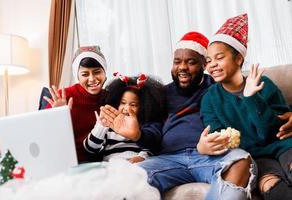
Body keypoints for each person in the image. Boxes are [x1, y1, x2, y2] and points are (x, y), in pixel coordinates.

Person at [99, 31, 257, 199]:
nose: (182, 67)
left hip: (211, 157)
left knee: (241, 162)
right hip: (169, 159)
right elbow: (154, 133)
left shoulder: (218, 87)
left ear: (204, 64)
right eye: (177, 62)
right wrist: (138, 134)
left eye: (190, 62)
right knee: (130, 177)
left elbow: (244, 111)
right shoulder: (161, 94)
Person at [201, 13, 292, 200]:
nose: (212, 65)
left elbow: (276, 130)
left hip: (283, 146)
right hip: (255, 157)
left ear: (239, 58)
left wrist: (251, 97)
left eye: (219, 57)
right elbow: (224, 140)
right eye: (209, 60)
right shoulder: (209, 99)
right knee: (269, 185)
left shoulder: (264, 84)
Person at [44, 46, 107, 163]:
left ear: (105, 73)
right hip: (69, 162)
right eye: (85, 74)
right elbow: (44, 137)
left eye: (97, 72)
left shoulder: (111, 96)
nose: (92, 79)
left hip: (102, 162)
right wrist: (57, 116)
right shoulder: (62, 97)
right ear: (77, 76)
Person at [83, 73, 166, 163]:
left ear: (144, 106)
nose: (126, 108)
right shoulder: (109, 127)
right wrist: (101, 126)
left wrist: (142, 157)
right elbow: (90, 149)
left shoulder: (144, 127)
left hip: (136, 167)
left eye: (133, 105)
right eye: (123, 103)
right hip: (111, 168)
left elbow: (152, 147)